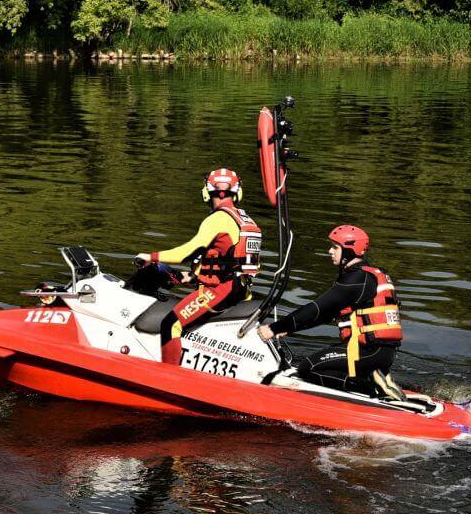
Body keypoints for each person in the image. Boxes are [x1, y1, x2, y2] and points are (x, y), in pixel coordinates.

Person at [257, 224, 406, 400]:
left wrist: (273, 328)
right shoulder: (367, 276)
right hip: (378, 352)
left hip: (368, 352)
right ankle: (373, 376)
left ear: (349, 251)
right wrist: (290, 328)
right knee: (320, 364)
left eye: (335, 247)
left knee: (308, 368)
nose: (330, 251)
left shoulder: (357, 279)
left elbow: (316, 308)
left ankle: (371, 387)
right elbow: (325, 314)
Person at [136, 168, 262, 365]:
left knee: (170, 324)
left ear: (206, 192)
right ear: (238, 192)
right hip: (240, 290)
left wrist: (150, 257)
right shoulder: (245, 220)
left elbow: (188, 252)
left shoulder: (217, 218)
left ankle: (169, 376)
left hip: (219, 291)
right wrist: (193, 276)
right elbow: (228, 260)